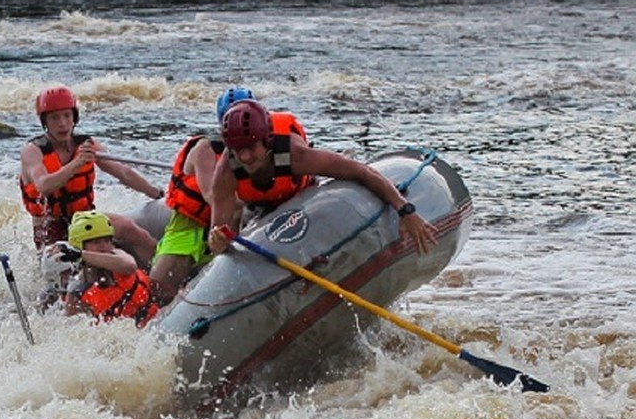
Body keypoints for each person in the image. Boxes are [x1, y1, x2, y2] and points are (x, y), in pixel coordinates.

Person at [206, 98, 439, 255]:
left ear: (266, 140)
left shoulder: (296, 155)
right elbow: (218, 235)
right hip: (258, 211)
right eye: (238, 149)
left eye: (251, 147)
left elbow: (361, 172)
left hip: (303, 198)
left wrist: (405, 210)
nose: (245, 157)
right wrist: (218, 241)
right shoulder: (226, 174)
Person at [19, 85, 161, 265]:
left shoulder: (87, 144)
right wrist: (76, 163)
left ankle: (159, 278)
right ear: (44, 121)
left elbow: (123, 173)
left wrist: (158, 193)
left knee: (131, 229)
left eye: (67, 116)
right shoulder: (32, 151)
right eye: (54, 118)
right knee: (74, 269)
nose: (62, 123)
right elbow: (43, 186)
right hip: (50, 229)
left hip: (85, 218)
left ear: (74, 117)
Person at [148, 87, 255, 303]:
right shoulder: (204, 148)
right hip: (189, 226)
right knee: (158, 291)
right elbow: (210, 195)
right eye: (231, 118)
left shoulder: (258, 148)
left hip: (230, 224)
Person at [62, 210, 159, 325]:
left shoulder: (118, 254)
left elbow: (130, 267)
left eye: (107, 241)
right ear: (79, 246)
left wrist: (81, 255)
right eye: (96, 242)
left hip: (157, 317)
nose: (104, 246)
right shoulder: (77, 290)